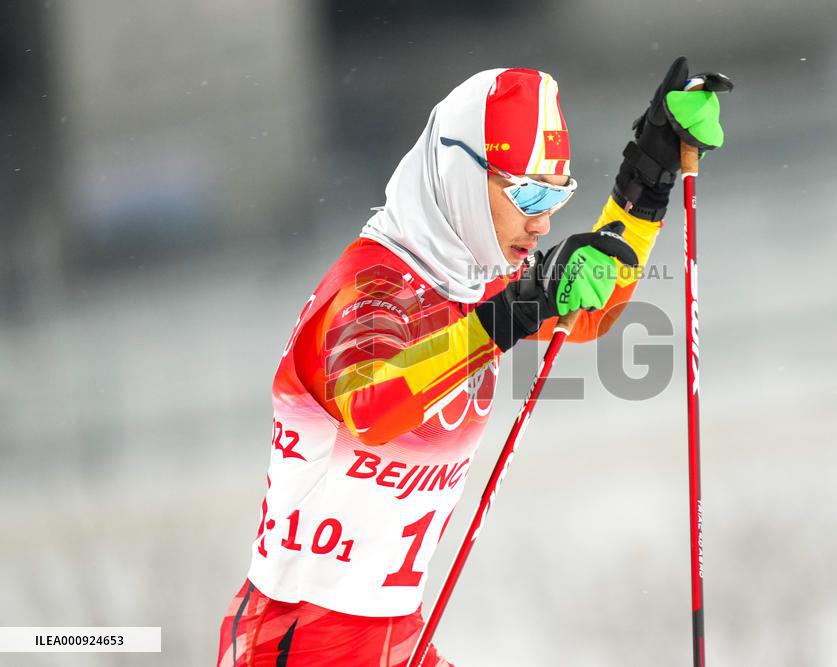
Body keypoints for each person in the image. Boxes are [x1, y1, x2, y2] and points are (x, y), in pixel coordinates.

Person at [217, 57, 724, 666]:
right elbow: (373, 406)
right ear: (461, 174)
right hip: (297, 645)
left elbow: (584, 313)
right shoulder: (371, 288)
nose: (542, 220)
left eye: (557, 195)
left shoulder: (469, 275)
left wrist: (646, 180)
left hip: (397, 638)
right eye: (528, 192)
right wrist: (524, 302)